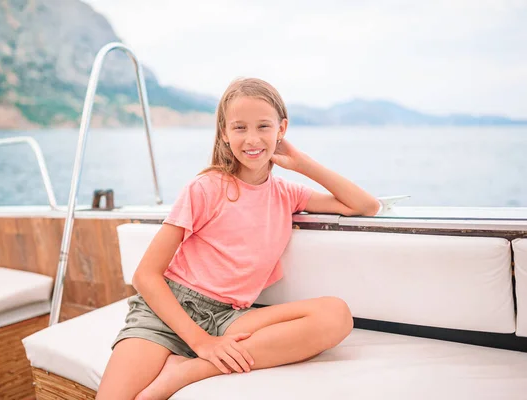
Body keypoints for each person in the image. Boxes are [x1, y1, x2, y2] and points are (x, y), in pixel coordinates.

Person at [97, 78, 382, 400]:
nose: (252, 139)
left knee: (335, 315)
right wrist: (200, 342)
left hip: (229, 317)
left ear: (281, 129)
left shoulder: (288, 194)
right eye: (240, 128)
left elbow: (366, 206)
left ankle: (187, 371)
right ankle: (197, 355)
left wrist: (302, 164)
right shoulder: (205, 188)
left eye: (263, 126)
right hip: (167, 313)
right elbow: (145, 275)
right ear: (224, 133)